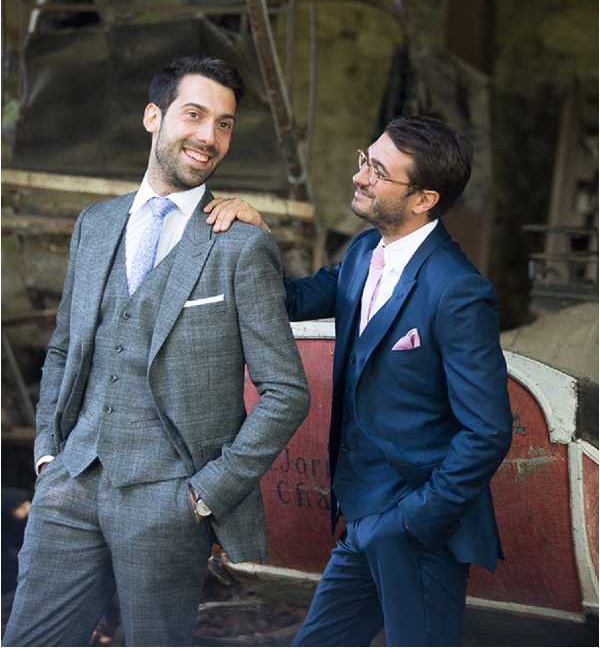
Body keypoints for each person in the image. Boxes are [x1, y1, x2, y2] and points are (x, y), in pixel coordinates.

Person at [4, 55, 309, 648]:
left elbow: (286, 391)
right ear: (153, 116)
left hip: (168, 502)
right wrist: (48, 455)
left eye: (224, 124)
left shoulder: (240, 247)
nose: (208, 136)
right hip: (70, 483)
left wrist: (203, 496)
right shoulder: (95, 224)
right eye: (194, 115)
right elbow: (65, 348)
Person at [205, 115, 513, 647]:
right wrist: (256, 238)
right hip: (361, 518)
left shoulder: (458, 290)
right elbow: (294, 301)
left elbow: (487, 431)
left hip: (415, 531)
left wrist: (412, 522)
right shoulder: (363, 252)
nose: (360, 176)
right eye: (363, 159)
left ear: (423, 199)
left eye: (377, 170)